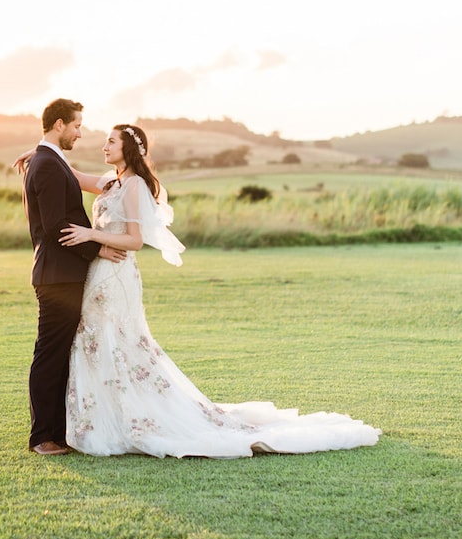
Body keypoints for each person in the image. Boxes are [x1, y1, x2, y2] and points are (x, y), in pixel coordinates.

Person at [22, 122, 381, 458]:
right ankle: (94, 419)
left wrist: (92, 235)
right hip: (98, 273)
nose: (104, 145)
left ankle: (128, 419)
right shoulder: (112, 182)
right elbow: (69, 173)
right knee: (93, 341)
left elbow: (134, 240)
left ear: (128, 149)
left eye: (111, 141)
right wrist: (39, 157)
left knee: (119, 342)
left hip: (116, 275)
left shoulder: (134, 186)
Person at [22, 98, 127, 456]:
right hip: (57, 276)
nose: (81, 133)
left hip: (62, 274)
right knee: (50, 354)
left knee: (61, 352)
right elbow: (54, 227)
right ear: (59, 125)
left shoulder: (50, 160)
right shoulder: (48, 164)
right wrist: (98, 248)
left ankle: (59, 430)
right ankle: (42, 437)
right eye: (77, 125)